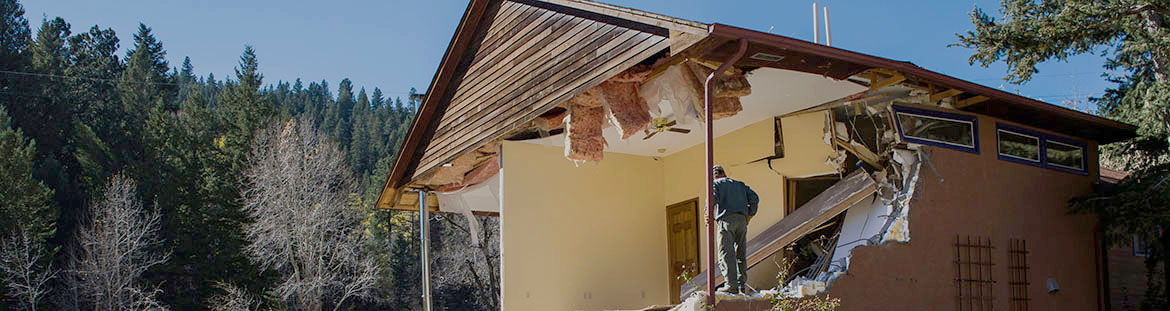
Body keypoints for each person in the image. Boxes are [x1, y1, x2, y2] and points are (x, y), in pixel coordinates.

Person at [711, 165, 758, 295]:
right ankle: (742, 286)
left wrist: (707, 215)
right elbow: (754, 198)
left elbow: (711, 200)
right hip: (742, 220)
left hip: (726, 220)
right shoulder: (740, 184)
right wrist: (749, 214)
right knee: (740, 253)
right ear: (724, 173)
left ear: (713, 176)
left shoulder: (715, 184)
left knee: (726, 253)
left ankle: (731, 285)